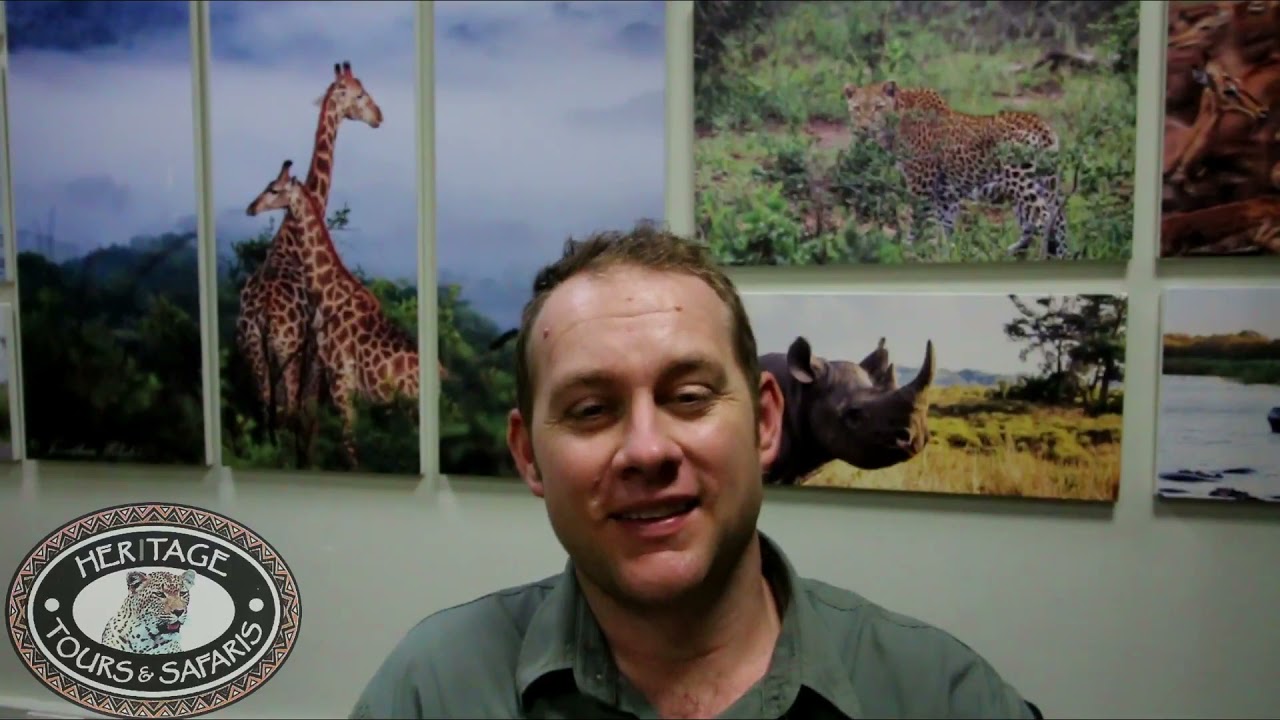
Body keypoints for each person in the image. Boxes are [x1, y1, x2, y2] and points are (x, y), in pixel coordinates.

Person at [349, 222, 1038, 719]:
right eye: (591, 409)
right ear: (528, 455)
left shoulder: (941, 695)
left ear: (765, 423)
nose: (647, 449)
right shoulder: (431, 692)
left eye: (689, 397)